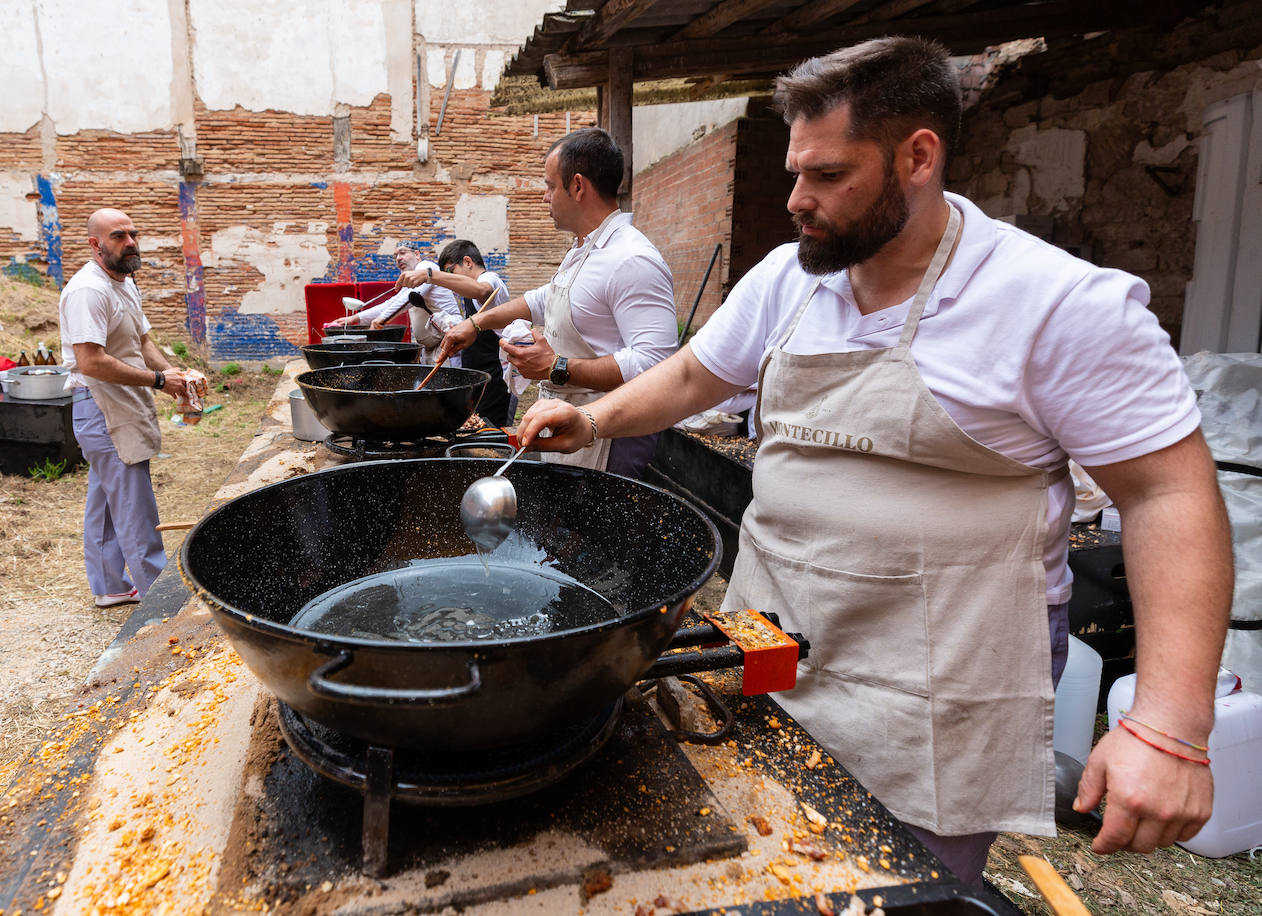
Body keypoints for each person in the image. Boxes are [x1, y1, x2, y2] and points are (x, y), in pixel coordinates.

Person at [517, 38, 1232, 884]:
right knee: (758, 858)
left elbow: (1169, 495)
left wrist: (1167, 727)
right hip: (769, 628)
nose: (795, 201)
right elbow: (692, 373)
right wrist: (589, 414)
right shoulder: (790, 277)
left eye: (826, 176)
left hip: (935, 679)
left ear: (918, 157)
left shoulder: (1060, 307)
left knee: (896, 887)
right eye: (794, 172)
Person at [438, 127, 677, 477]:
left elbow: (656, 364)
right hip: (570, 417)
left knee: (595, 530)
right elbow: (542, 299)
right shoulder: (584, 249)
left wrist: (557, 366)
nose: (544, 197)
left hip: (611, 437)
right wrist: (475, 324)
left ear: (577, 186)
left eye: (550, 186)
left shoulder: (632, 259)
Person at [59, 208, 195, 608]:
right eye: (118, 236)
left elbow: (143, 341)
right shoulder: (89, 291)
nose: (130, 242)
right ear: (95, 244)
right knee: (135, 506)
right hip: (102, 407)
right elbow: (90, 361)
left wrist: (174, 374)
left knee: (106, 500)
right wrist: (157, 381)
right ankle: (158, 599)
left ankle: (110, 587)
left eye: (133, 234)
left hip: (122, 402)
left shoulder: (124, 283)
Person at [398, 239, 513, 426]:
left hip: (496, 373)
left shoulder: (489, 279)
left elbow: (481, 291)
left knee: (493, 431)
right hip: (478, 372)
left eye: (451, 272)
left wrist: (430, 275)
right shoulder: (468, 295)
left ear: (468, 262)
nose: (452, 282)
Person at [325, 243, 462, 365]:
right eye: (395, 255)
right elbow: (391, 303)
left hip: (448, 338)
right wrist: (355, 318)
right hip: (430, 346)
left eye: (403, 253)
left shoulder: (426, 267)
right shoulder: (411, 281)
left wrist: (382, 319)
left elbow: (410, 297)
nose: (398, 258)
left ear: (417, 254)